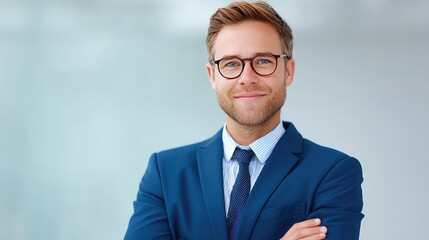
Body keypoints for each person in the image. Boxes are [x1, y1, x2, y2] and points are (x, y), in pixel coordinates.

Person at [124, 1, 364, 239]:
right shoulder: (166, 173)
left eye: (263, 61)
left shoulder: (333, 173)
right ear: (213, 76)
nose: (247, 78)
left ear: (288, 71)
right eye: (230, 64)